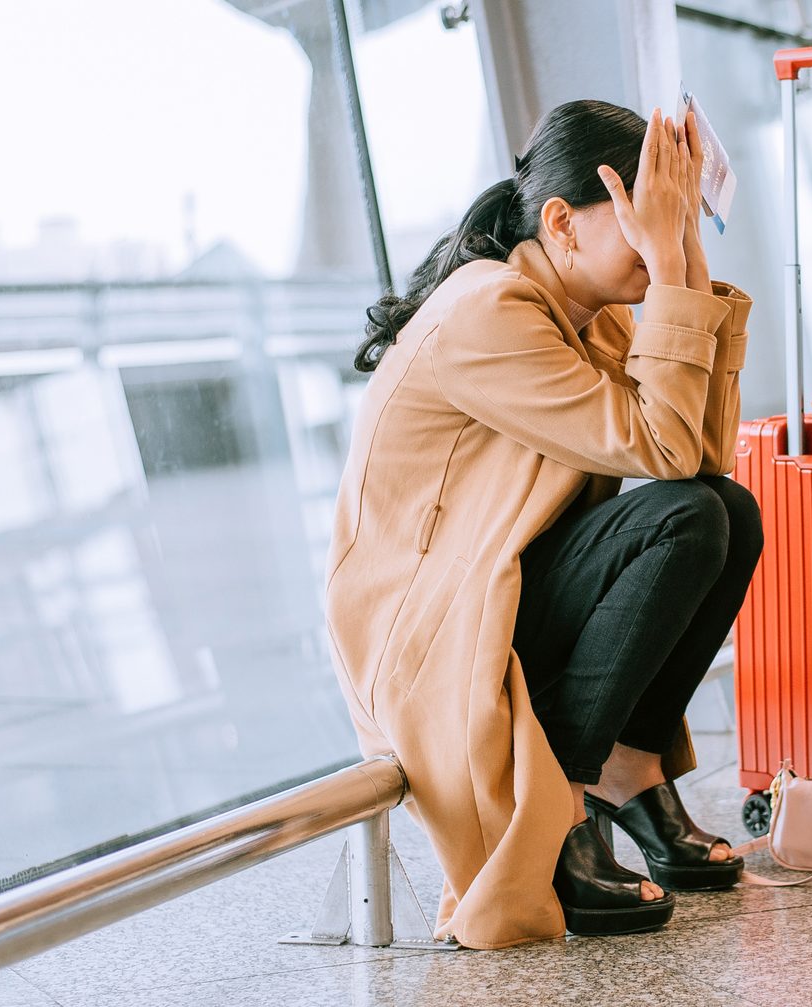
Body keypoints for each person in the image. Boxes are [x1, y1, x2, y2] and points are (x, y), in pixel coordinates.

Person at [324, 98, 761, 947]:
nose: (659, 237)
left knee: (724, 512)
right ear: (561, 221)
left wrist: (685, 263)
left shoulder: (578, 312)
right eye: (645, 215)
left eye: (669, 218)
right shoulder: (489, 309)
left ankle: (628, 766)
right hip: (432, 633)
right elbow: (668, 448)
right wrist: (672, 272)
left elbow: (704, 454)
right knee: (685, 520)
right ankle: (558, 812)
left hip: (499, 588)